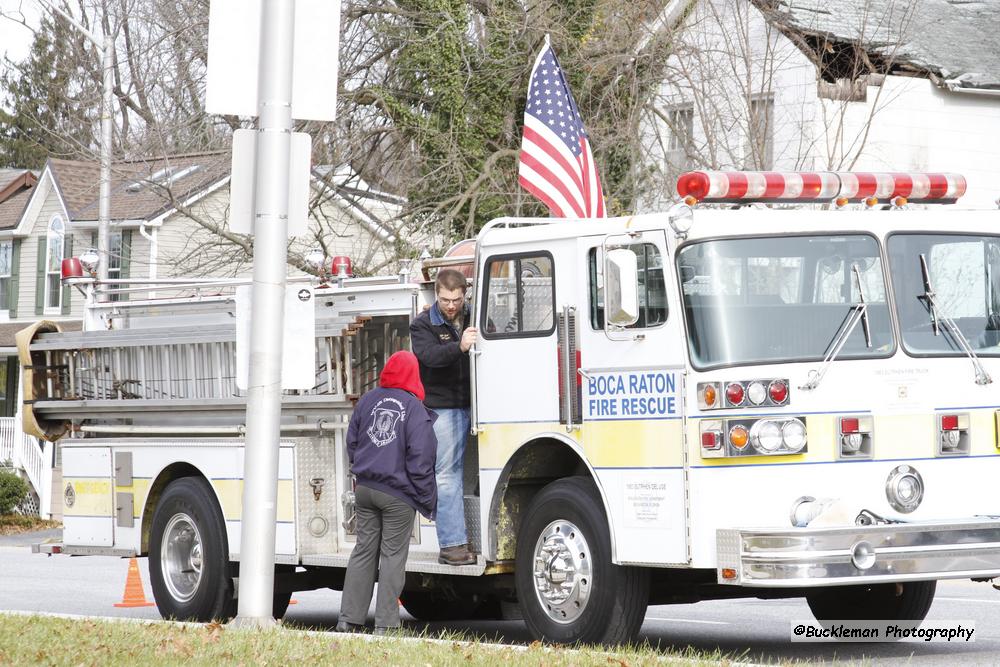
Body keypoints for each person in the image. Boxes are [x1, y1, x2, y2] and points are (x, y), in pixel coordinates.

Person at [336, 350, 437, 634]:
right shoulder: (415, 408)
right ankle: (386, 625)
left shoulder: (368, 400)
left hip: (366, 490)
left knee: (363, 552)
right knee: (392, 556)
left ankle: (348, 619)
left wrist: (363, 469)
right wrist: (427, 499)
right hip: (397, 496)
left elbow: (352, 443)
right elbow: (421, 459)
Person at [409, 268, 478, 566]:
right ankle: (452, 547)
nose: (451, 305)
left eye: (457, 299)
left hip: (476, 404)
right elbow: (429, 358)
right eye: (446, 299)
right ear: (436, 294)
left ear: (465, 294)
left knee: (474, 476)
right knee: (447, 476)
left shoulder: (474, 315)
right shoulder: (422, 324)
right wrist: (459, 346)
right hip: (444, 408)